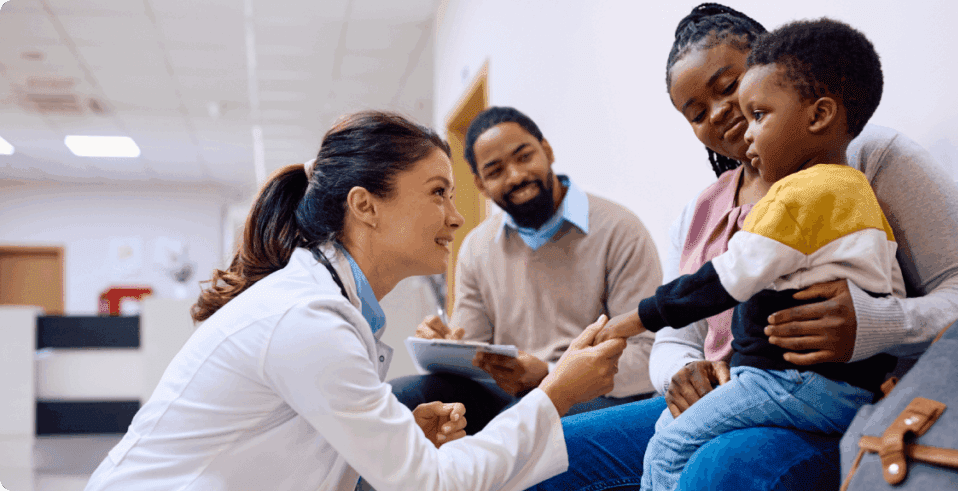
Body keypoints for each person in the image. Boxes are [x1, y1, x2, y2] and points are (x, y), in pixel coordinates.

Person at [531, 3, 958, 490]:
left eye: (728, 86)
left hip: (831, 395)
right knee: (542, 456)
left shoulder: (869, 159)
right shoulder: (701, 212)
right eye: (696, 113)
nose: (718, 112)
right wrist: (682, 372)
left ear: (771, 63)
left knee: (720, 468)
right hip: (734, 390)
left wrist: (874, 324)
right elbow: (677, 338)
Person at [83, 111, 628, 491]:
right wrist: (555, 393)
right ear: (366, 206)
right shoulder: (308, 319)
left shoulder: (329, 308)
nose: (456, 217)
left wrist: (399, 441)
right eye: (438, 192)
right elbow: (431, 486)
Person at [598, 18, 902, 490]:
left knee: (669, 447)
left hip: (788, 382)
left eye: (752, 108)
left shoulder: (799, 194)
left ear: (817, 113)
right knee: (658, 431)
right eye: (697, 113)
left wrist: (634, 318)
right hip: (844, 387)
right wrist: (682, 373)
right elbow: (888, 283)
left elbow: (725, 280)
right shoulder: (853, 191)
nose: (730, 118)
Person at [390, 106, 662, 434]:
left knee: (524, 420)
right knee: (401, 398)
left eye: (524, 156)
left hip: (593, 393)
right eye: (495, 171)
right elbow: (472, 355)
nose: (516, 176)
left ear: (547, 150)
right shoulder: (476, 247)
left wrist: (548, 373)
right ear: (480, 184)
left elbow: (646, 356)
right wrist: (441, 346)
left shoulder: (619, 229)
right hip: (506, 396)